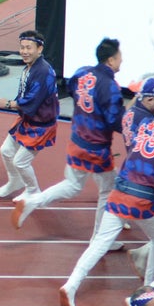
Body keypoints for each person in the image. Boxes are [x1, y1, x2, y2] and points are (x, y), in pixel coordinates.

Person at [58, 104, 154, 306]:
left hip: (119, 190)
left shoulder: (146, 123)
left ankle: (71, 284)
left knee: (100, 242)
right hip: (142, 197)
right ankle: (147, 293)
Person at [12, 37, 124, 234]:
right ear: (111, 60)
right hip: (96, 148)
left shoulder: (83, 72)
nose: (121, 61)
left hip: (77, 140)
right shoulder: (110, 87)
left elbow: (71, 87)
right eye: (119, 57)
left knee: (72, 184)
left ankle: (32, 201)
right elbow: (115, 121)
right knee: (109, 190)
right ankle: (101, 237)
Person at [0, 29, 59, 199]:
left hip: (41, 125)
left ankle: (33, 191)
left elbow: (31, 101)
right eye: (22, 47)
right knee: (6, 151)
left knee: (20, 162)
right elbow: (24, 95)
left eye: (29, 48)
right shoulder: (30, 68)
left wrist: (8, 104)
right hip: (28, 119)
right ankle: (15, 181)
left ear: (40, 49)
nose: (24, 51)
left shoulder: (43, 72)